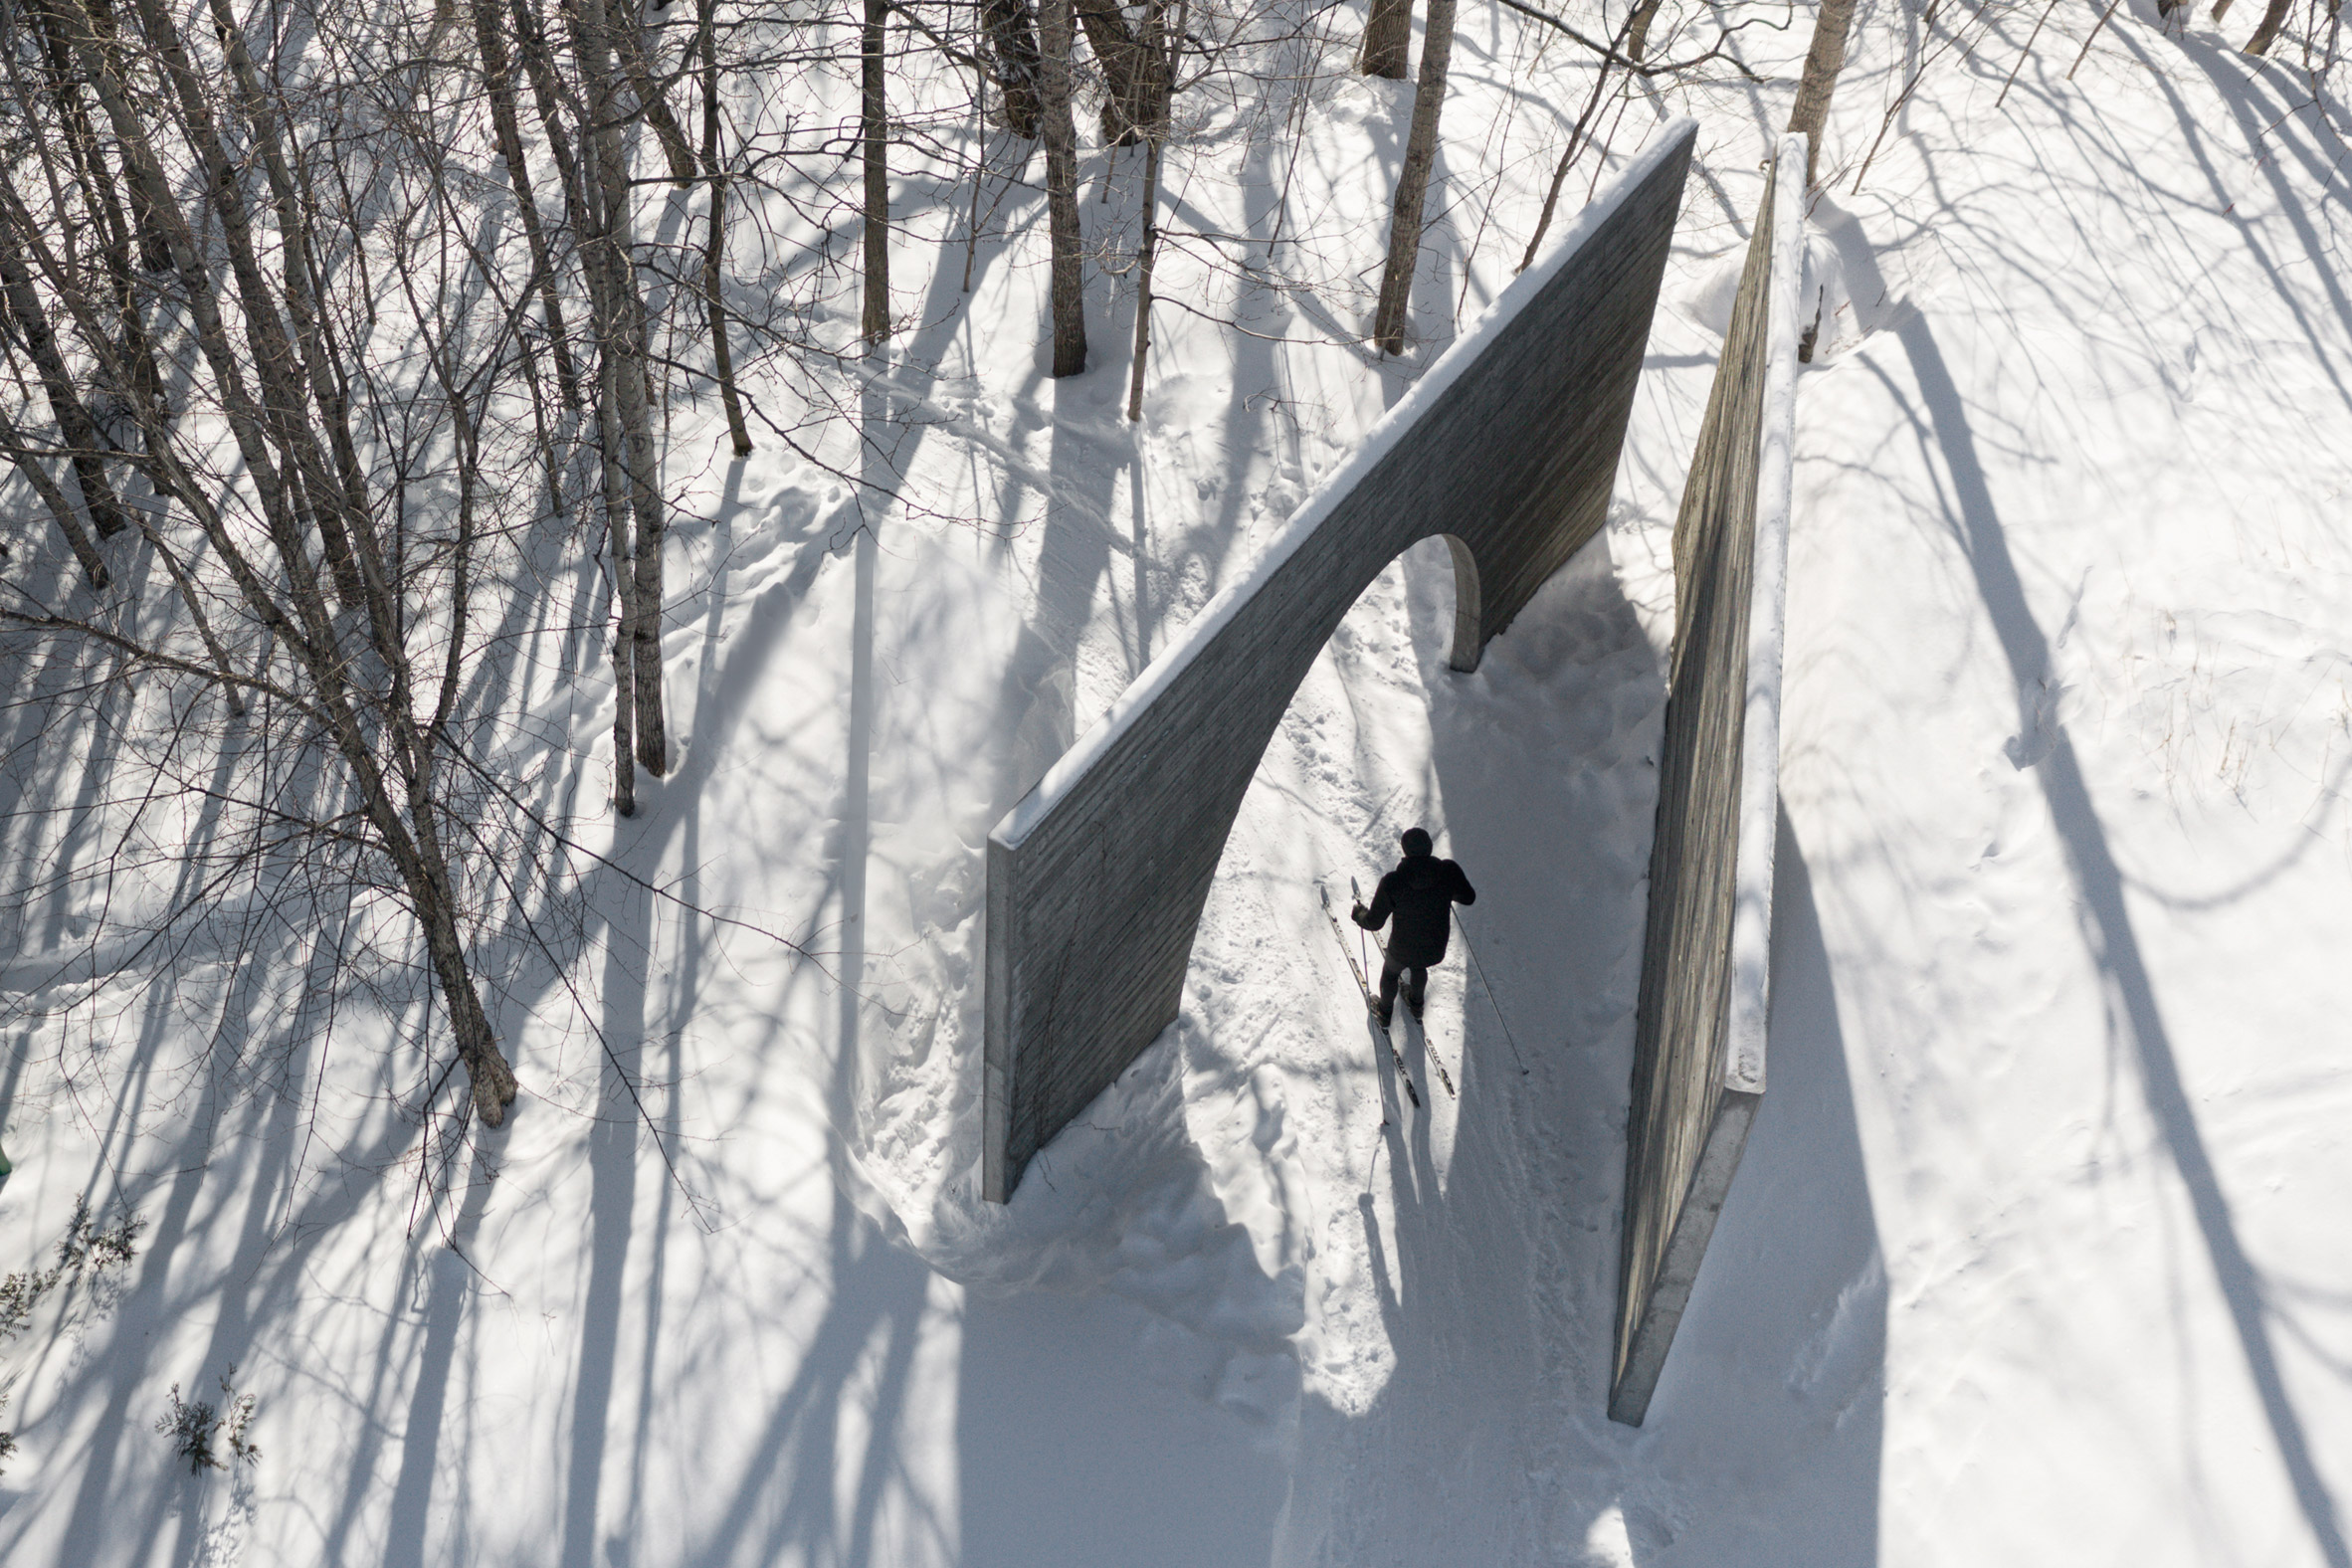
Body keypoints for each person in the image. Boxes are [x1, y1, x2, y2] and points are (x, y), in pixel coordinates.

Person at [1352, 827, 1476, 1028]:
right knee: (1419, 966)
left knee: (1391, 973)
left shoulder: (1394, 882)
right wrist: (1448, 891)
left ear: (1405, 851)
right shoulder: (1448, 872)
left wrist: (1359, 915)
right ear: (1430, 847)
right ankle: (1416, 1003)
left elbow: (1374, 922)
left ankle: (1384, 1012)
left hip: (1401, 949)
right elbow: (1468, 898)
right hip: (1434, 949)